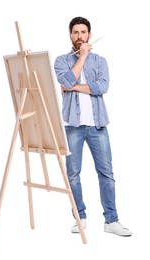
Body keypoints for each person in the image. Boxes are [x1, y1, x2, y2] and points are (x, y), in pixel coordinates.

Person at [54, 16, 132, 236]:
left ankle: (111, 221)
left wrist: (71, 87)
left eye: (83, 32)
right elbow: (65, 80)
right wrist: (81, 58)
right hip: (72, 126)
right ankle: (80, 218)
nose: (80, 36)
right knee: (73, 175)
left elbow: (102, 87)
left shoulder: (100, 61)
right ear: (70, 35)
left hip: (98, 125)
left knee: (106, 173)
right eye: (76, 32)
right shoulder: (61, 60)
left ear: (89, 34)